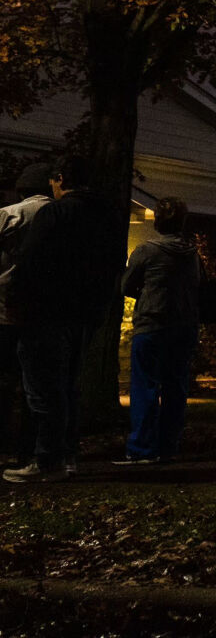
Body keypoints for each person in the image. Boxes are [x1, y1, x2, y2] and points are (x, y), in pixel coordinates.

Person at [4, 155, 123, 484]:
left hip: (47, 311)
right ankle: (68, 456)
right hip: (84, 314)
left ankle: (46, 460)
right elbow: (114, 264)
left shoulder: (55, 213)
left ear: (59, 180)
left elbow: (30, 259)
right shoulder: (107, 217)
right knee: (69, 386)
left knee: (43, 389)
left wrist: (15, 299)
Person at [115, 197, 202, 465]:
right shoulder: (192, 255)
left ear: (158, 222)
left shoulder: (146, 251)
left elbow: (126, 285)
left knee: (145, 386)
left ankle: (142, 448)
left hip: (152, 323)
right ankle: (169, 445)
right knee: (175, 387)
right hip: (184, 325)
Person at [0, 163, 56, 467]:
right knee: (36, 383)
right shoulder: (60, 216)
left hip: (5, 305)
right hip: (44, 309)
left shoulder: (9, 215)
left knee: (5, 378)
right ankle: (29, 446)